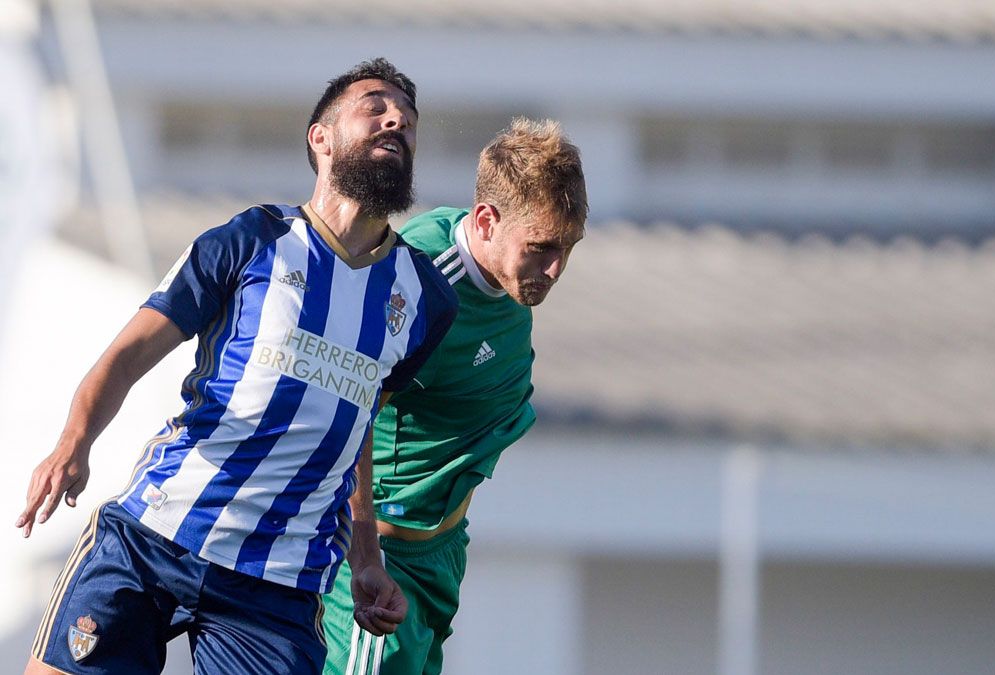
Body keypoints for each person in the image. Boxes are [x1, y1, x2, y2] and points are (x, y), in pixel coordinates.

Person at [16, 57, 458, 674]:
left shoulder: (426, 300)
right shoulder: (251, 241)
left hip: (276, 585)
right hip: (155, 535)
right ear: (321, 138)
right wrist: (74, 442)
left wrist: (365, 558)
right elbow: (127, 354)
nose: (396, 122)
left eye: (408, 121)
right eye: (376, 108)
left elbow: (354, 431)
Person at [321, 117, 587, 675]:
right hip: (384, 560)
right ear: (486, 221)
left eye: (568, 247)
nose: (557, 269)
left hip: (442, 551)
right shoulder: (419, 286)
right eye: (541, 248)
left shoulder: (510, 273)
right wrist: (366, 549)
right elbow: (344, 413)